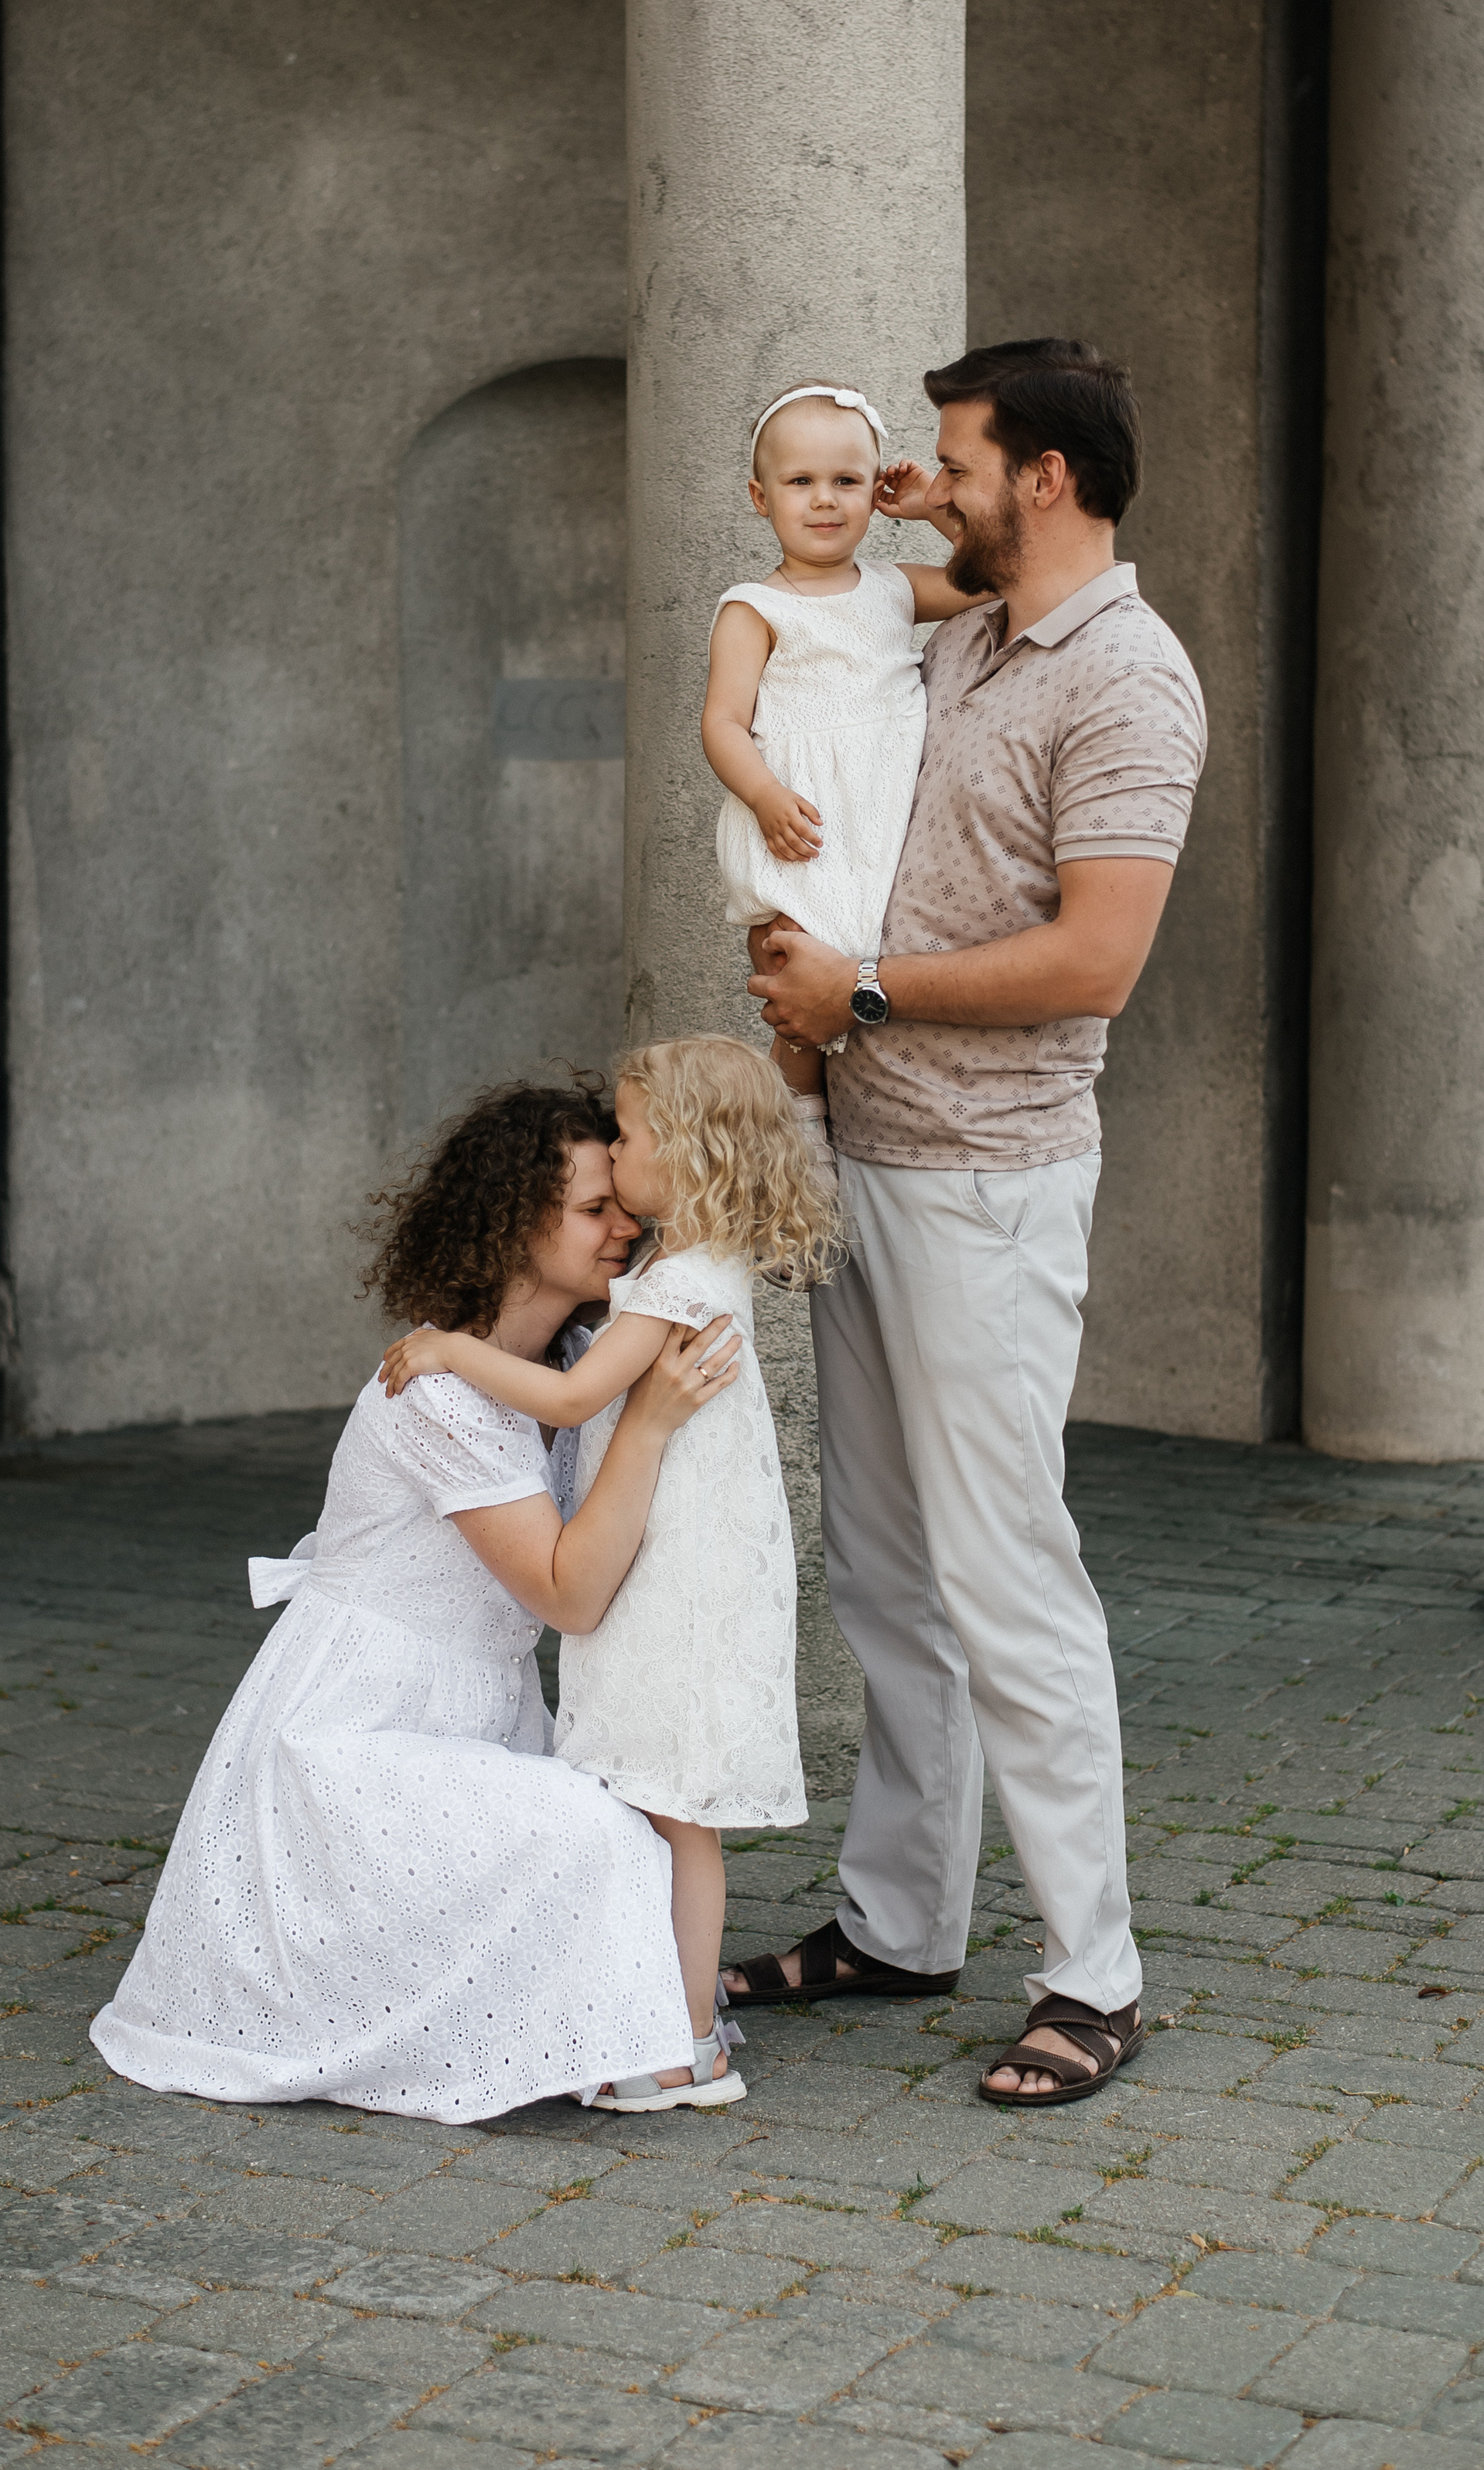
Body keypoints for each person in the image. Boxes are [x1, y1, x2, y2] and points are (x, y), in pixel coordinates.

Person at [728, 338, 1208, 2110]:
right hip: (861, 1151)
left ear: (1046, 478)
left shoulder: (1129, 676)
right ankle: (896, 1920)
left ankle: (1094, 1976)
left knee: (1006, 1576)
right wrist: (898, 514)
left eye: (954, 458)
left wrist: (857, 986)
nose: (923, 483)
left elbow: (1096, 957)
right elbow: (829, 631)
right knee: (881, 1567)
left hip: (987, 1183)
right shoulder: (965, 636)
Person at [89, 1083, 741, 2127]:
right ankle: (615, 2037)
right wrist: (649, 1427)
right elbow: (570, 1593)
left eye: (624, 1203)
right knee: (595, 1836)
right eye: (592, 1208)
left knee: (644, 1826)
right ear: (510, 1223)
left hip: (480, 1710)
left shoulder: (573, 1367)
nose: (626, 1226)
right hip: (349, 1732)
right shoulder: (435, 1391)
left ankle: (627, 2026)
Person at [379, 1036, 838, 2113]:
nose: (618, 1155)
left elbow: (573, 1399)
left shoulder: (676, 1283)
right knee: (662, 1809)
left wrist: (448, 1350)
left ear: (682, 1150)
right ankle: (663, 2018)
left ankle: (682, 2043)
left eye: (627, 1136)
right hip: (687, 1575)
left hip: (678, 1590)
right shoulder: (694, 1270)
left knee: (670, 1810)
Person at [701, 381, 986, 1109]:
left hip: (879, 826)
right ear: (761, 498)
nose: (825, 499)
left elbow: (991, 582)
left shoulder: (894, 589)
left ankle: (843, 1139)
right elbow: (723, 723)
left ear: (874, 491)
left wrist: (930, 508)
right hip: (803, 831)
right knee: (801, 1002)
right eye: (800, 482)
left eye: (847, 481)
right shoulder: (755, 608)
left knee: (863, 1012)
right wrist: (764, 795)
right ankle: (798, 1150)